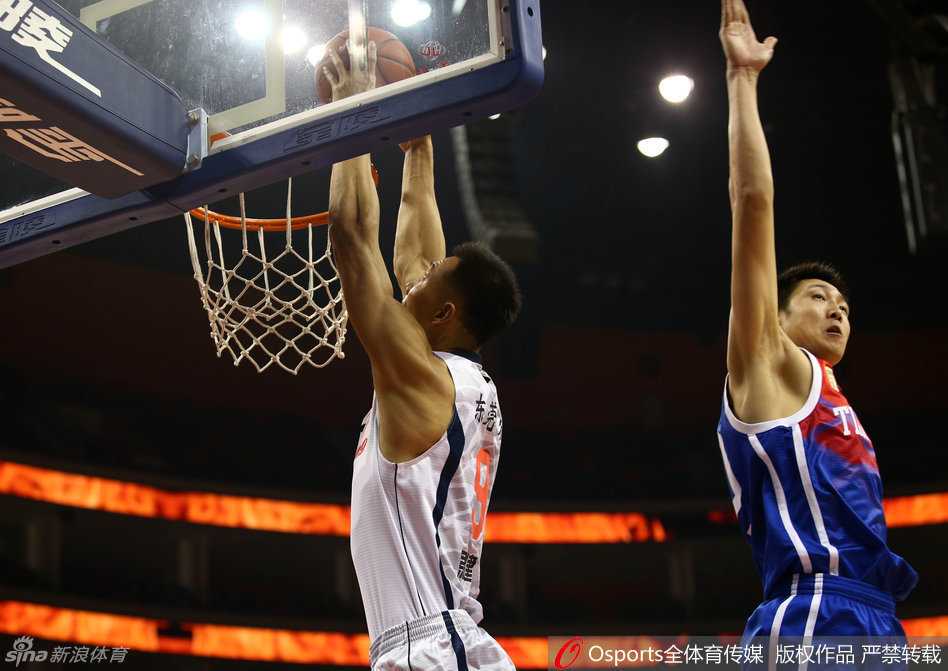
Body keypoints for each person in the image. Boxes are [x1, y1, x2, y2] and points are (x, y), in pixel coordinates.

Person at [715, 0, 918, 651]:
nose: (838, 310)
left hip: (878, 621)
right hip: (814, 615)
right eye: (819, 296)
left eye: (847, 307)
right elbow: (753, 203)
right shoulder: (767, 365)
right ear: (774, 316)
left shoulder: (833, 396)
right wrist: (742, 82)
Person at [322, 40, 521, 671]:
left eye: (426, 284)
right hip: (442, 642)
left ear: (443, 315)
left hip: (428, 650)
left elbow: (353, 239)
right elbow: (415, 245)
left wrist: (352, 110)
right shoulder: (457, 379)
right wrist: (418, 144)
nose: (415, 276)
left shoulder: (423, 380)